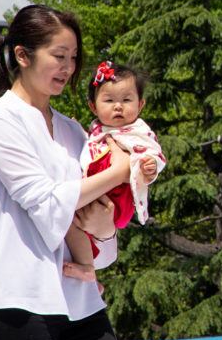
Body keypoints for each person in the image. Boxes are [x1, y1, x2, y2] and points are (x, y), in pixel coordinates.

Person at [0, 4, 132, 340]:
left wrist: (105, 231)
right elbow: (47, 205)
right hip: (18, 302)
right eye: (59, 56)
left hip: (81, 300)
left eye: (73, 57)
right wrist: (119, 171)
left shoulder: (75, 132)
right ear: (22, 55)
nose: (69, 67)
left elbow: (100, 230)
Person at [62, 61, 165, 283]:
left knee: (65, 216)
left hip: (119, 199)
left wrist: (150, 168)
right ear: (93, 106)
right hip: (99, 195)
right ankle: (89, 272)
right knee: (71, 223)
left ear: (141, 105)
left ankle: (87, 268)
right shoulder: (97, 130)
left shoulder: (137, 130)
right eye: (109, 100)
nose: (118, 106)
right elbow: (91, 149)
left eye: (126, 100)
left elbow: (153, 152)